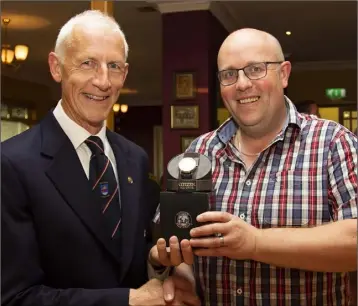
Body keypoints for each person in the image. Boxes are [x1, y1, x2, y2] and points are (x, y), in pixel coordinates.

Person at [1, 10, 199, 306]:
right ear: (57, 67)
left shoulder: (134, 158)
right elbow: (15, 297)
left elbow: (127, 253)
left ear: (126, 73)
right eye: (87, 63)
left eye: (114, 66)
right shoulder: (11, 164)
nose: (103, 81)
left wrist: (156, 260)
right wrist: (130, 301)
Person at [149, 28, 357, 305]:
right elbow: (176, 240)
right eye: (229, 74)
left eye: (255, 69)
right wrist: (182, 274)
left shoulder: (334, 142)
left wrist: (255, 243)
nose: (242, 84)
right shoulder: (200, 151)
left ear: (283, 74)